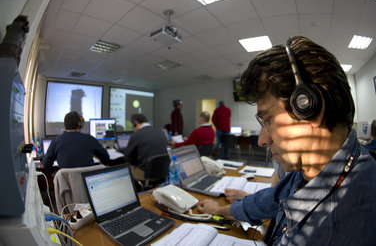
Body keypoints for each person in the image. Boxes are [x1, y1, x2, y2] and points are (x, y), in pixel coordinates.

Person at [198, 36, 376, 245]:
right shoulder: (319, 166)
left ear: (308, 107)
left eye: (268, 120)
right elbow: (272, 199)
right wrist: (218, 210)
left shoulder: (331, 230)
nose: (262, 140)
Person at [43, 111, 110, 174]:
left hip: (66, 184)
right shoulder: (90, 139)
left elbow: (46, 163)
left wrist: (54, 173)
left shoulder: (56, 141)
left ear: (65, 125)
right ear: (79, 124)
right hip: (87, 184)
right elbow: (106, 157)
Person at [124, 113, 168, 181]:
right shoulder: (160, 131)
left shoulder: (137, 134)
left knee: (124, 169)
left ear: (135, 122)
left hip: (146, 175)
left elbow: (127, 158)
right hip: (163, 172)